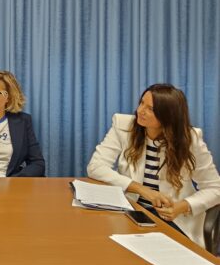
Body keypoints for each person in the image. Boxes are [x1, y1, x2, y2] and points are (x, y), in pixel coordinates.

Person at [87, 84, 220, 245]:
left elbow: (215, 188)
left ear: (168, 116)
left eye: (150, 109)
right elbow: (95, 167)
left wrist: (182, 207)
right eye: (142, 103)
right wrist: (143, 190)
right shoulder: (123, 126)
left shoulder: (190, 139)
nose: (140, 111)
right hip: (131, 211)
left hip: (173, 220)